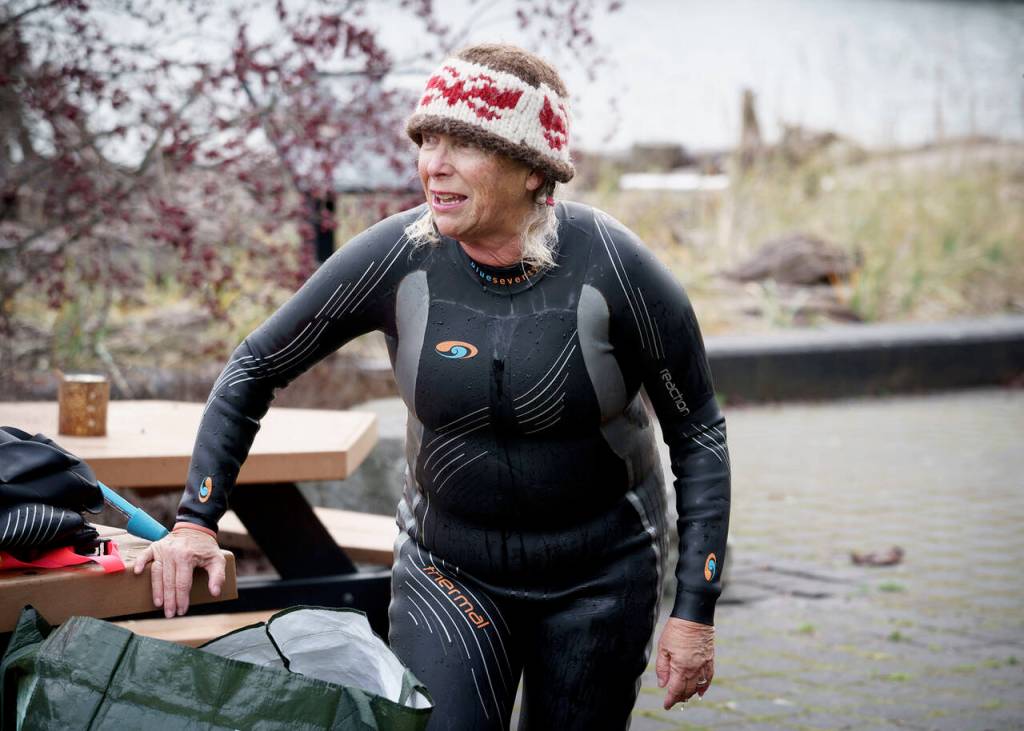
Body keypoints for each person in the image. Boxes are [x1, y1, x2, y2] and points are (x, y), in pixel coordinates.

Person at [135, 43, 731, 730]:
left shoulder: (614, 267)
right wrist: (195, 521)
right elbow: (253, 368)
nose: (433, 164)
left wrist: (695, 609)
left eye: (464, 144)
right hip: (448, 569)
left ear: (534, 171)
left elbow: (698, 432)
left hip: (600, 577)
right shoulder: (399, 254)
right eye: (427, 140)